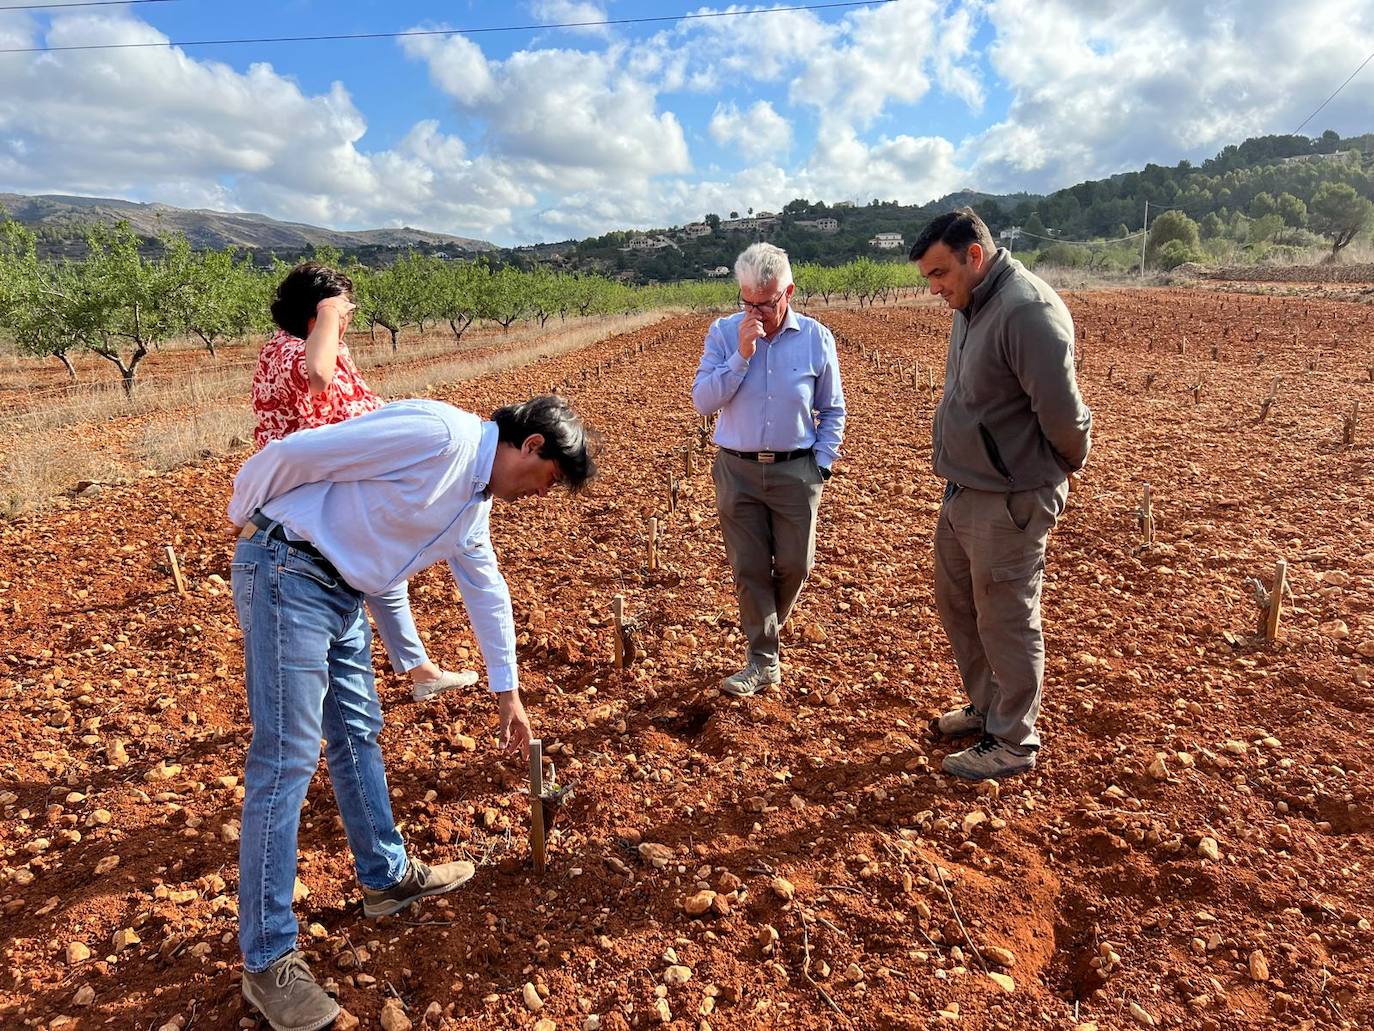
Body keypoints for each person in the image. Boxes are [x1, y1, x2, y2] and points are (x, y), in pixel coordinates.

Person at [227, 395, 598, 1031]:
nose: (543, 494)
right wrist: (249, 517)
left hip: (340, 593)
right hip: (289, 568)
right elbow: (298, 452)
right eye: (550, 480)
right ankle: (267, 959)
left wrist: (506, 693)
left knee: (357, 737)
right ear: (532, 446)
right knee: (286, 759)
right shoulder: (441, 434)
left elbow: (486, 590)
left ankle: (386, 878)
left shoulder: (472, 507)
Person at [910, 207, 1092, 780]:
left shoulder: (1025, 311)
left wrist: (1057, 469)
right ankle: (987, 707)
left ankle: (1013, 739)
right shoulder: (973, 303)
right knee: (960, 605)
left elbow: (1063, 415)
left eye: (940, 273)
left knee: (1007, 616)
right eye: (928, 278)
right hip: (966, 488)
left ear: (974, 256)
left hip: (1010, 496)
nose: (935, 288)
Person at [251, 262, 471, 702]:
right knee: (366, 573)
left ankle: (418, 671)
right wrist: (331, 310)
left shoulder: (328, 349)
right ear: (319, 313)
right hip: (310, 493)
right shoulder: (289, 352)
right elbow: (318, 375)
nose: (349, 318)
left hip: (340, 482)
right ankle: (361, 686)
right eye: (343, 310)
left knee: (382, 572)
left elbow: (358, 405)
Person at [691, 243, 846, 697]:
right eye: (748, 302)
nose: (757, 311)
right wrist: (741, 354)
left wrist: (821, 465)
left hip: (796, 470)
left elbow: (832, 410)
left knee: (797, 565)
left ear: (789, 292)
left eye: (766, 302)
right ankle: (763, 659)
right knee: (750, 568)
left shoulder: (817, 338)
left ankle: (765, 637)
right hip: (736, 469)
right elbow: (704, 400)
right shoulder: (723, 334)